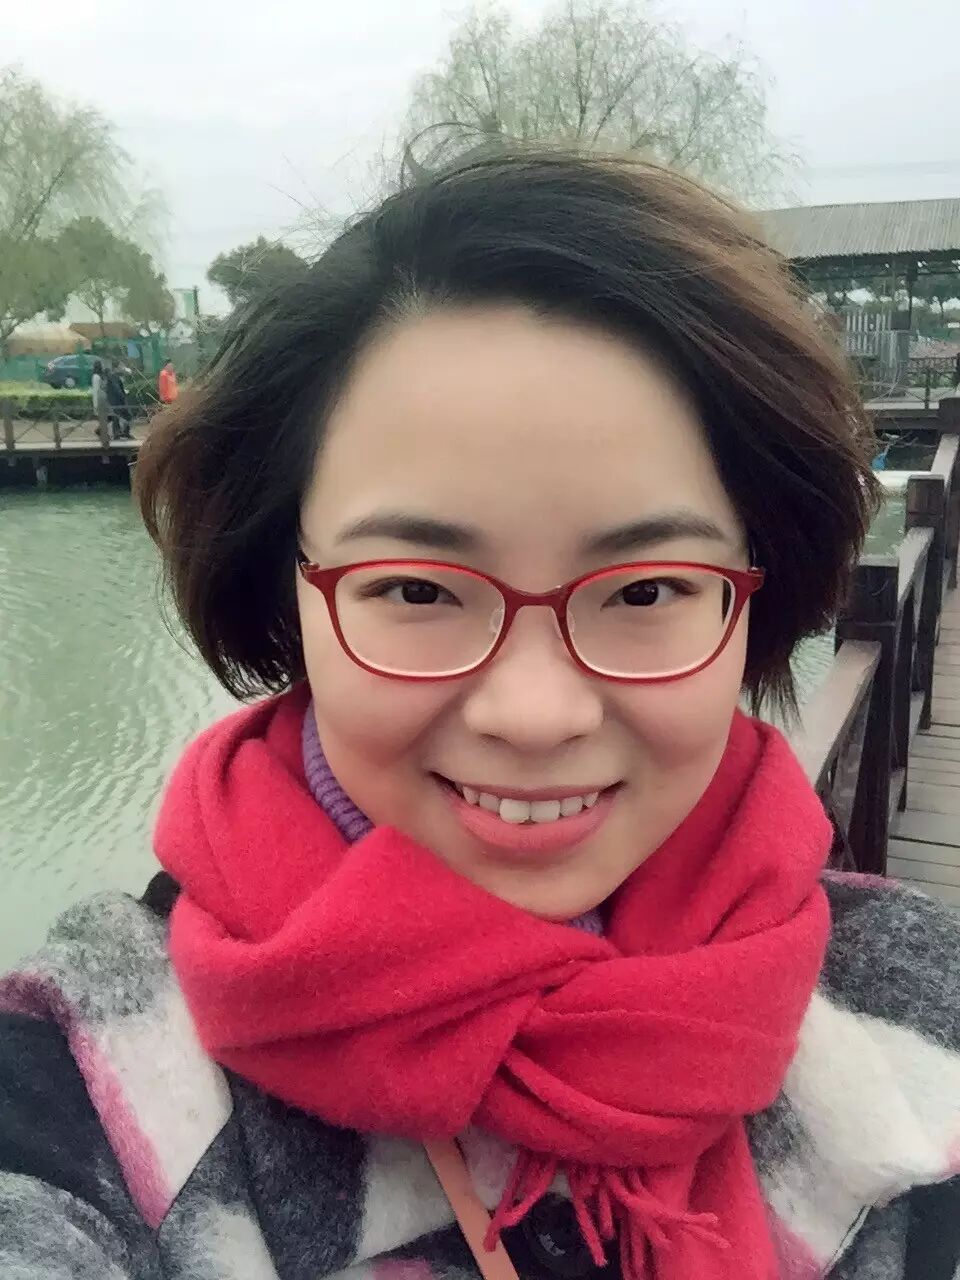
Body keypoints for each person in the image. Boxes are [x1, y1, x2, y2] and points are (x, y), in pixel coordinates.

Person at [2, 148, 959, 1280]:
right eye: (417, 590)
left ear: (754, 598)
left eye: (646, 591)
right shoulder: (92, 1076)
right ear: (283, 590)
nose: (536, 713)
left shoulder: (915, 1013)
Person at [105, 358, 132, 439]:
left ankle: (122, 433)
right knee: (121, 417)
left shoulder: (114, 376)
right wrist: (123, 395)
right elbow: (116, 389)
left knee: (122, 416)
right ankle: (118, 433)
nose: (122, 368)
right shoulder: (113, 377)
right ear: (116, 368)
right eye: (121, 366)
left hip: (116, 401)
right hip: (116, 401)